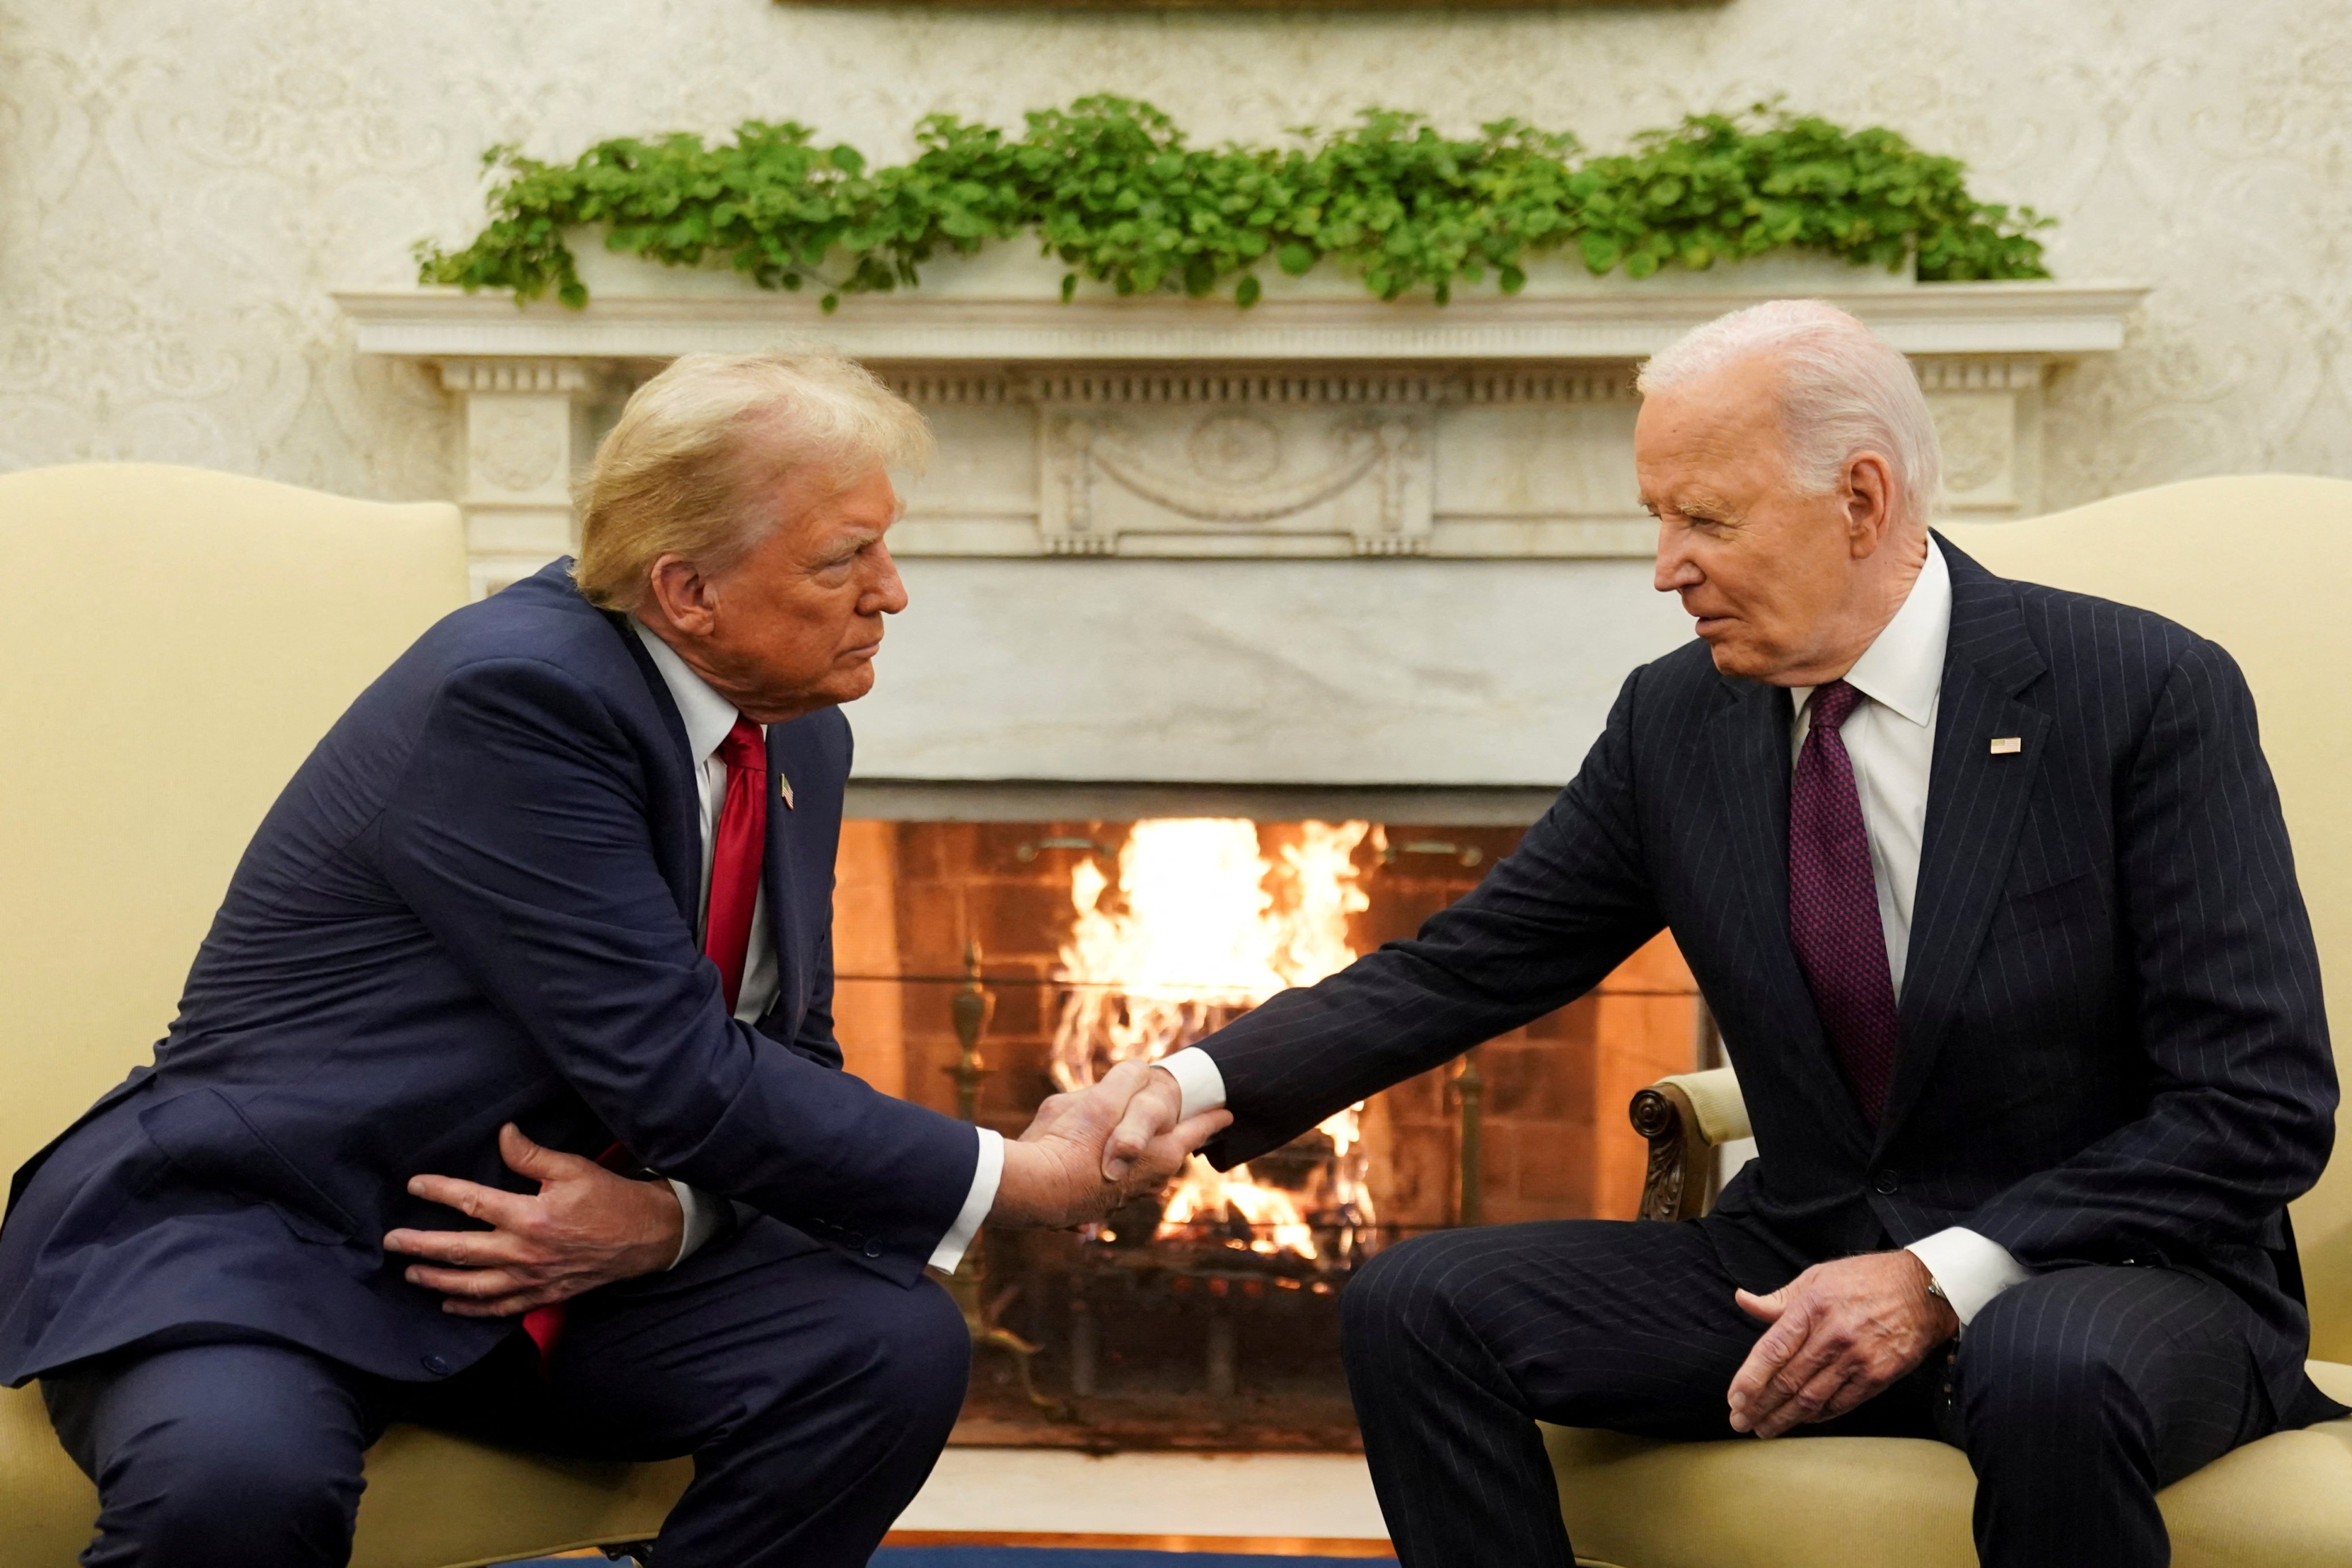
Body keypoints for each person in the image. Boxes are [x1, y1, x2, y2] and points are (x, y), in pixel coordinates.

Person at [1098, 300, 2345, 1567]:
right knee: (1415, 1305)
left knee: (2043, 1363)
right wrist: (1188, 1082)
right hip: (1797, 1258)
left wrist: (1936, 1277)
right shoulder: (1676, 721)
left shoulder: (2136, 692)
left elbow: (2256, 1105)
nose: (1663, 566)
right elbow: (1475, 962)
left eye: (1705, 519)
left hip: (2112, 1273)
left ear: (1860, 500)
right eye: (1657, 517)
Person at [0, 352, 1226, 1568]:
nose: (891, 594)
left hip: (549, 1277)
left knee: (884, 1347)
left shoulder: (794, 738)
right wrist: (1020, 1178)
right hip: (283, 1241)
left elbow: (781, 1055)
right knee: (235, 1485)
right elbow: (679, 1073)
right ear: (686, 589)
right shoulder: (517, 696)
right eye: (843, 559)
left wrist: (672, 1220)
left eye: (882, 548)